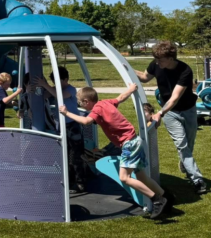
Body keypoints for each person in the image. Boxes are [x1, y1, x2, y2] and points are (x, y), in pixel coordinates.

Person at [60, 84, 169, 219]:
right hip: (135, 141)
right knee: (142, 177)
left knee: (124, 178)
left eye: (80, 103)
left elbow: (86, 121)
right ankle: (165, 196)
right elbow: (121, 98)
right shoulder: (105, 103)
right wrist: (131, 89)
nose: (80, 105)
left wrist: (66, 113)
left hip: (129, 144)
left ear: (87, 102)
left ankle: (157, 200)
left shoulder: (97, 109)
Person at [135, 41, 207, 195]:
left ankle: (185, 163)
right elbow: (144, 77)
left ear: (171, 58)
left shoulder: (185, 71)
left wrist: (160, 113)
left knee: (189, 143)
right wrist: (125, 67)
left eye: (160, 60)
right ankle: (197, 179)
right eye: (156, 59)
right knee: (181, 144)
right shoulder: (156, 64)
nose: (157, 62)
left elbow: (175, 98)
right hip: (169, 113)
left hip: (188, 110)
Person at [34, 68, 87, 192]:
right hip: (61, 127)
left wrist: (45, 85)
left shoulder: (70, 89)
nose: (56, 84)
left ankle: (80, 182)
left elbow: (61, 96)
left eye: (58, 81)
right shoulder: (55, 89)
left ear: (65, 79)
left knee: (76, 155)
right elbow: (42, 96)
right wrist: (36, 89)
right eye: (54, 81)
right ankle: (68, 181)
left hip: (72, 126)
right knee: (64, 155)